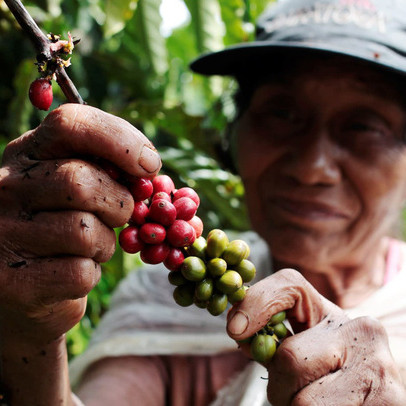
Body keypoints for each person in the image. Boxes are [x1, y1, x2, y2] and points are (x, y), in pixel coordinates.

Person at [2, 0, 406, 404]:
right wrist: (25, 336)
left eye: (363, 127)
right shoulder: (160, 301)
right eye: (281, 114)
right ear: (234, 135)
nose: (312, 168)